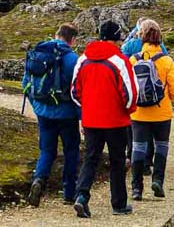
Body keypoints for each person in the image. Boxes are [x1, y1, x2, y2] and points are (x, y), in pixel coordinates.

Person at [71, 20, 137, 218]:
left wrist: (87, 108)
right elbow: (131, 93)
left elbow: (74, 91)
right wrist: (128, 110)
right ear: (117, 38)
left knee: (90, 159)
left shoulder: (83, 59)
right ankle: (118, 204)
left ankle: (81, 196)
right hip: (115, 120)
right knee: (117, 161)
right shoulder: (120, 60)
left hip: (91, 119)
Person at [22, 23, 81, 207]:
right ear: (73, 40)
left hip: (44, 113)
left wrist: (38, 106)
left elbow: (26, 83)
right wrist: (81, 116)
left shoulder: (38, 54)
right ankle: (69, 193)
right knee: (71, 151)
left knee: (47, 150)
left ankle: (39, 180)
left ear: (56, 35)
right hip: (67, 114)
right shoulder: (73, 59)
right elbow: (79, 91)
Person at [128, 20, 174, 201]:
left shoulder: (134, 59)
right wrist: (167, 98)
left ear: (141, 36)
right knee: (161, 146)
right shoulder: (166, 60)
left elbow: (128, 86)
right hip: (162, 112)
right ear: (159, 37)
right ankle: (158, 180)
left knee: (138, 148)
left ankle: (136, 188)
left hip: (139, 113)